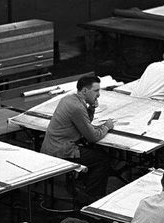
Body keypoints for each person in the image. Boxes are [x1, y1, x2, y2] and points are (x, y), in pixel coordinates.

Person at [40, 74, 115, 204]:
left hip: (52, 145)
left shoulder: (69, 99)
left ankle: (82, 185)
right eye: (96, 91)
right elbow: (92, 137)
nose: (98, 95)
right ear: (85, 91)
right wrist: (106, 127)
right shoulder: (77, 107)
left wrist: (91, 108)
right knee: (102, 159)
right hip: (61, 150)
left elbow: (84, 123)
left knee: (93, 153)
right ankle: (92, 199)